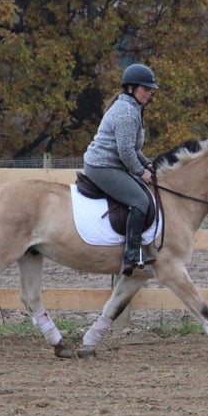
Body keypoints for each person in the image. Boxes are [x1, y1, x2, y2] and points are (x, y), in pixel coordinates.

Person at [83, 63, 159, 276]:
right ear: (131, 88)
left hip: (111, 163)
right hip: (102, 166)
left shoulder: (132, 108)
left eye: (150, 89)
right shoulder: (126, 112)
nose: (149, 93)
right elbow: (125, 151)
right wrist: (140, 172)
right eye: (146, 88)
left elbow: (134, 149)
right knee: (140, 200)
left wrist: (147, 163)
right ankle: (132, 254)